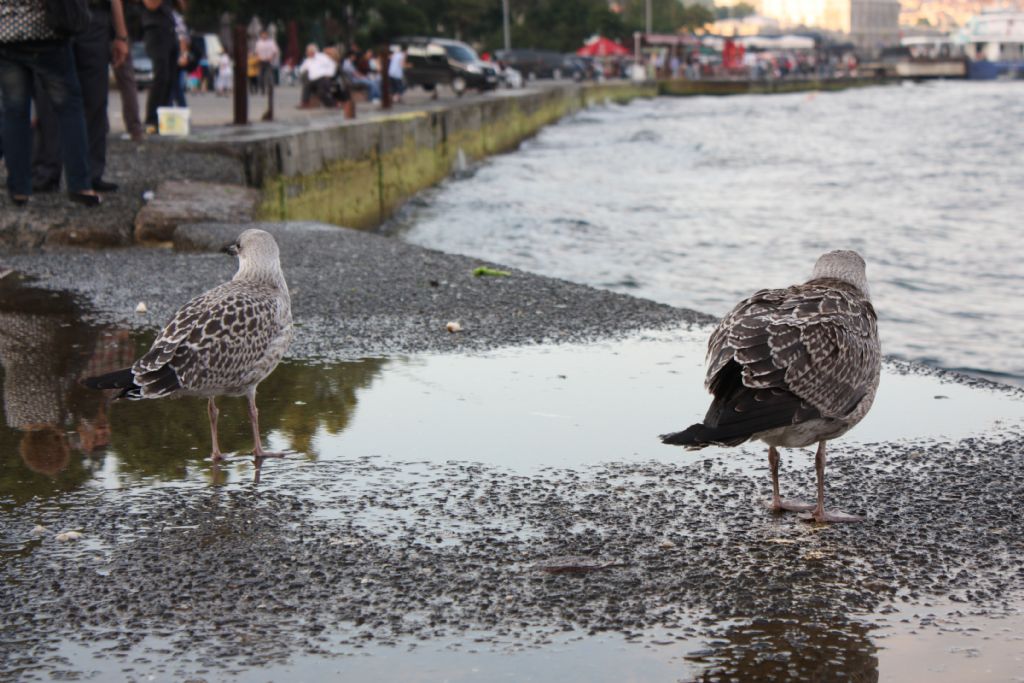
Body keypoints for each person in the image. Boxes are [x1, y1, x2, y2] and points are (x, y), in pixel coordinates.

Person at [0, 0, 101, 206]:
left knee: (15, 111)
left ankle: (19, 190)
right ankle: (80, 185)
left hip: (6, 34)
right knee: (69, 108)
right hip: (47, 33)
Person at [33, 0, 130, 194]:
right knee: (48, 98)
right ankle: (45, 172)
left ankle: (89, 174)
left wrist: (121, 35)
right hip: (52, 15)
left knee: (95, 98)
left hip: (92, 16)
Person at [141, 0, 184, 133]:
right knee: (161, 77)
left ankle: (163, 118)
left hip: (170, 30)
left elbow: (183, 7)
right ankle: (151, 119)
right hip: (155, 31)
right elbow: (151, 4)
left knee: (170, 78)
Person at [297, 43, 337, 108]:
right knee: (306, 85)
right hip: (312, 79)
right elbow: (301, 70)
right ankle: (305, 103)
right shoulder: (307, 60)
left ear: (314, 52)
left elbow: (332, 65)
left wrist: (329, 75)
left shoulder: (322, 57)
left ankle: (331, 103)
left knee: (321, 92)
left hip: (323, 78)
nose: (308, 53)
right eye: (307, 52)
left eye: (309, 52)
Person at [254, 29, 278, 94]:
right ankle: (262, 89)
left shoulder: (271, 42)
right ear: (261, 35)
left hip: (268, 61)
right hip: (261, 60)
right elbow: (256, 52)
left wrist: (271, 57)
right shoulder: (258, 43)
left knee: (269, 76)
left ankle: (270, 89)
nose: (264, 35)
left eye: (265, 34)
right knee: (260, 76)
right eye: (263, 34)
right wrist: (258, 57)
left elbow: (275, 51)